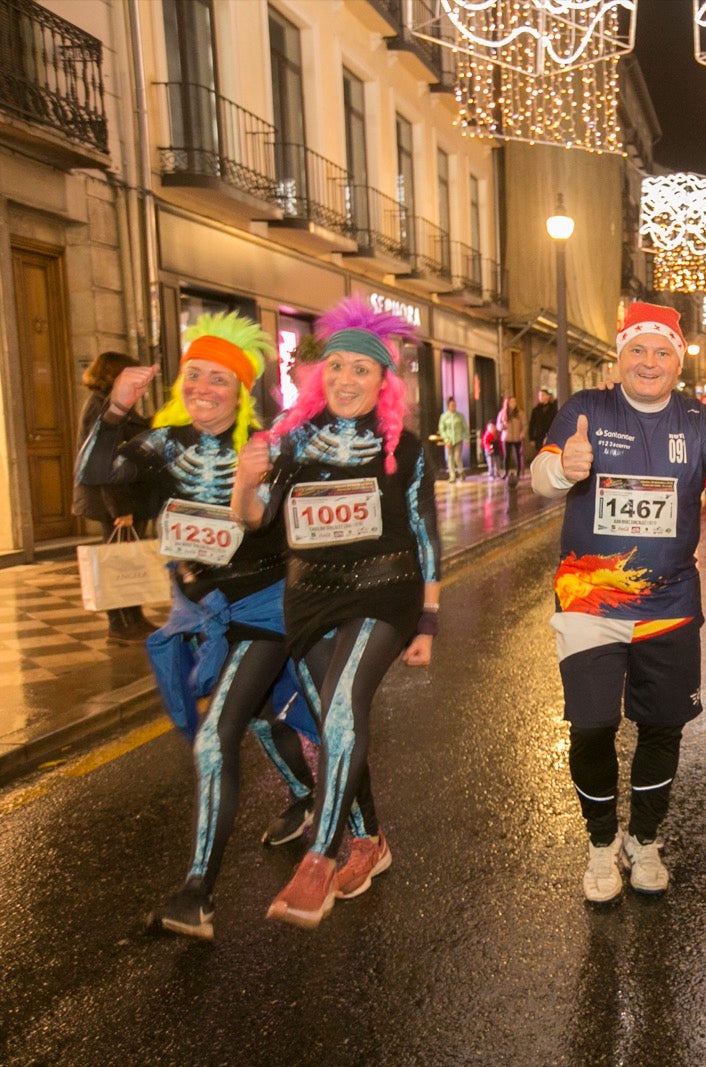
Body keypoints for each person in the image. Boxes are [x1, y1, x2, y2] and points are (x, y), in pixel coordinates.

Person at [78, 314, 318, 940]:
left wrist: (250, 482)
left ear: (239, 391)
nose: (204, 388)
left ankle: (197, 895)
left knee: (217, 737)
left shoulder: (261, 445)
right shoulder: (164, 443)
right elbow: (93, 475)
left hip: (262, 613)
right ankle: (306, 795)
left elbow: (276, 526)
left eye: (220, 379)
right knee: (263, 715)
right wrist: (114, 409)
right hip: (200, 612)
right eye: (194, 376)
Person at [532, 302, 706, 903]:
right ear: (620, 355)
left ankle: (645, 838)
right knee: (592, 727)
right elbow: (542, 474)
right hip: (589, 603)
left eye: (663, 352)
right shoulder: (585, 410)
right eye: (639, 349)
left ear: (678, 362)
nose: (649, 361)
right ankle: (602, 843)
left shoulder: (700, 421)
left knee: (663, 727)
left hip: (670, 605)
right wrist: (562, 470)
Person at [233, 296, 441, 929]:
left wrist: (428, 621)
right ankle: (369, 838)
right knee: (334, 722)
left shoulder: (402, 446)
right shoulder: (289, 440)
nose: (348, 379)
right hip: (311, 597)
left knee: (347, 700)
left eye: (364, 370)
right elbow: (257, 521)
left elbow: (425, 533)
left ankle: (319, 856)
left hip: (385, 590)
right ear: (322, 374)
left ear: (383, 383)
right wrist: (245, 479)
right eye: (339, 367)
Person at [74, 350, 155, 642]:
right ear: (115, 376)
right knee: (117, 561)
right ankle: (120, 625)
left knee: (129, 559)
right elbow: (106, 459)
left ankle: (134, 617)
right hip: (114, 499)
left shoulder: (116, 403)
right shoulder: (102, 407)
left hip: (129, 496)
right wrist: (120, 507)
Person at [438, 397, 467, 482]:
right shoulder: (444, 417)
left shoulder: (460, 416)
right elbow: (442, 429)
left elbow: (465, 427)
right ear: (448, 406)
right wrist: (446, 439)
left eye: (454, 405)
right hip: (449, 440)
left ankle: (461, 472)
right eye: (451, 405)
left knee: (457, 457)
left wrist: (466, 438)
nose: (453, 406)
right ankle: (452, 476)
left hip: (458, 439)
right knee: (450, 458)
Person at [498, 396, 526, 479]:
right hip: (506, 438)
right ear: (507, 403)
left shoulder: (520, 413)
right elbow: (498, 425)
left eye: (514, 402)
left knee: (518, 455)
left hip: (517, 437)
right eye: (511, 402)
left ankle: (518, 473)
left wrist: (523, 433)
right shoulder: (502, 413)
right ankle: (506, 472)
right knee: (507, 456)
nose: (513, 403)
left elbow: (524, 425)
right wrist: (502, 426)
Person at [527, 387, 558, 452]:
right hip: (539, 436)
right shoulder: (536, 410)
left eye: (543, 395)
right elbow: (532, 424)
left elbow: (555, 422)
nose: (541, 397)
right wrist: (531, 438)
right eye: (539, 396)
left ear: (547, 396)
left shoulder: (553, 409)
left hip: (550, 435)